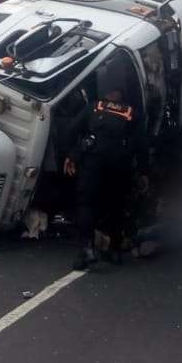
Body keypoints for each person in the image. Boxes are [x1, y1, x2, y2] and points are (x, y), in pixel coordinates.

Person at [66, 70, 148, 270]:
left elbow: (72, 129)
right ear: (121, 92)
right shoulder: (132, 112)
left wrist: (72, 156)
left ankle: (87, 249)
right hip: (121, 164)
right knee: (117, 205)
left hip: (94, 162)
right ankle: (114, 250)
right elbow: (141, 144)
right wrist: (144, 171)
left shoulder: (94, 107)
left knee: (87, 203)